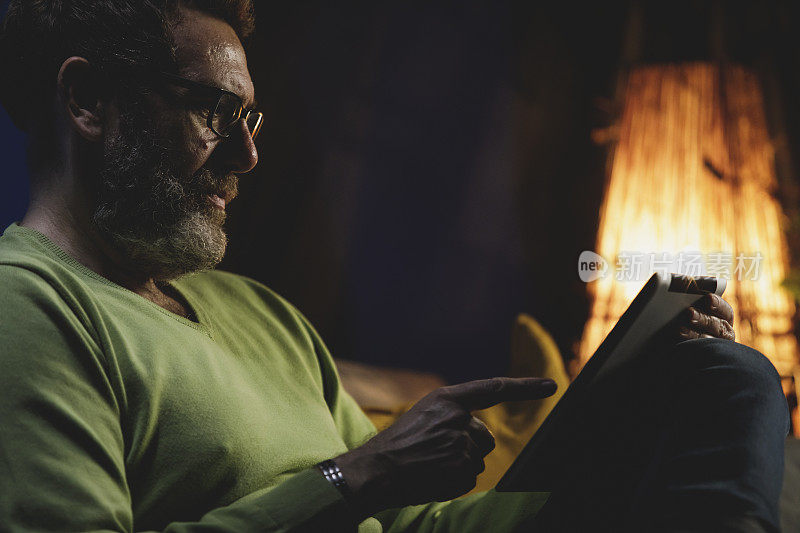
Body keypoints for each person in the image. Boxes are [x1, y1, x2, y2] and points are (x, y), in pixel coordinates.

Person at [0, 1, 788, 532]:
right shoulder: (30, 306)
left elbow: (406, 523)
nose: (246, 155)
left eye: (251, 117)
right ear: (88, 101)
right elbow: (367, 485)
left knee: (718, 377)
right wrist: (358, 474)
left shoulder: (258, 312)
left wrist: (619, 423)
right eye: (215, 113)